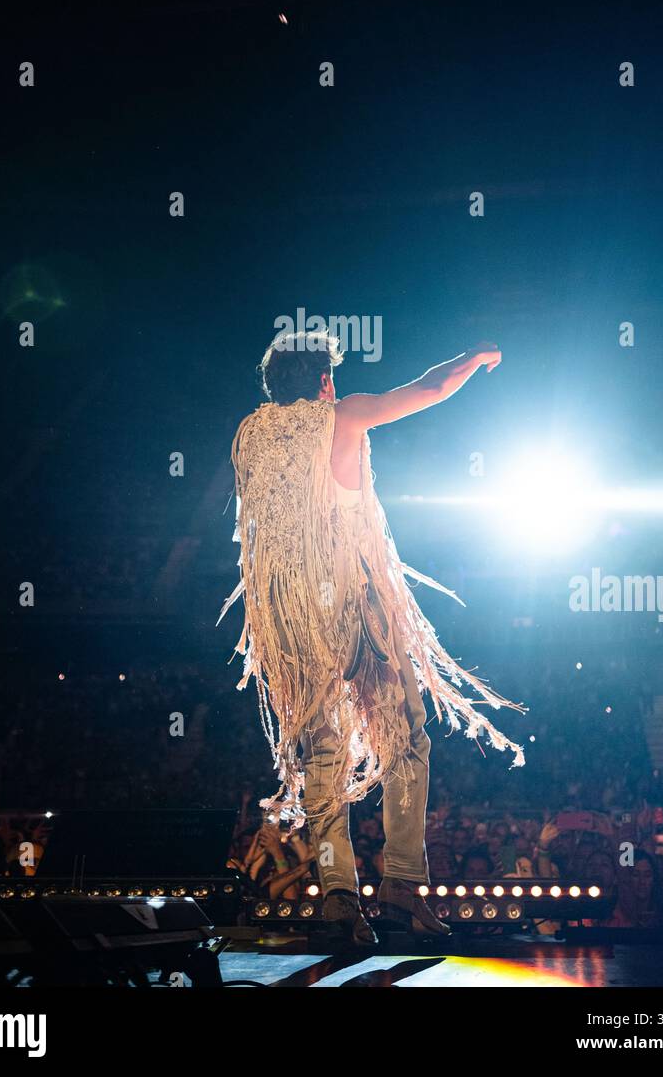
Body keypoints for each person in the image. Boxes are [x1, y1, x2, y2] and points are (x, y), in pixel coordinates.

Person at [221, 329, 526, 945]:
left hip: (291, 623)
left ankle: (338, 894)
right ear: (325, 382)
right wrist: (474, 354)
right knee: (404, 736)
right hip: (355, 606)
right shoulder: (345, 415)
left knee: (322, 758)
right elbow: (432, 388)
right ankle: (403, 887)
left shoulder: (249, 436)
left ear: (272, 386)